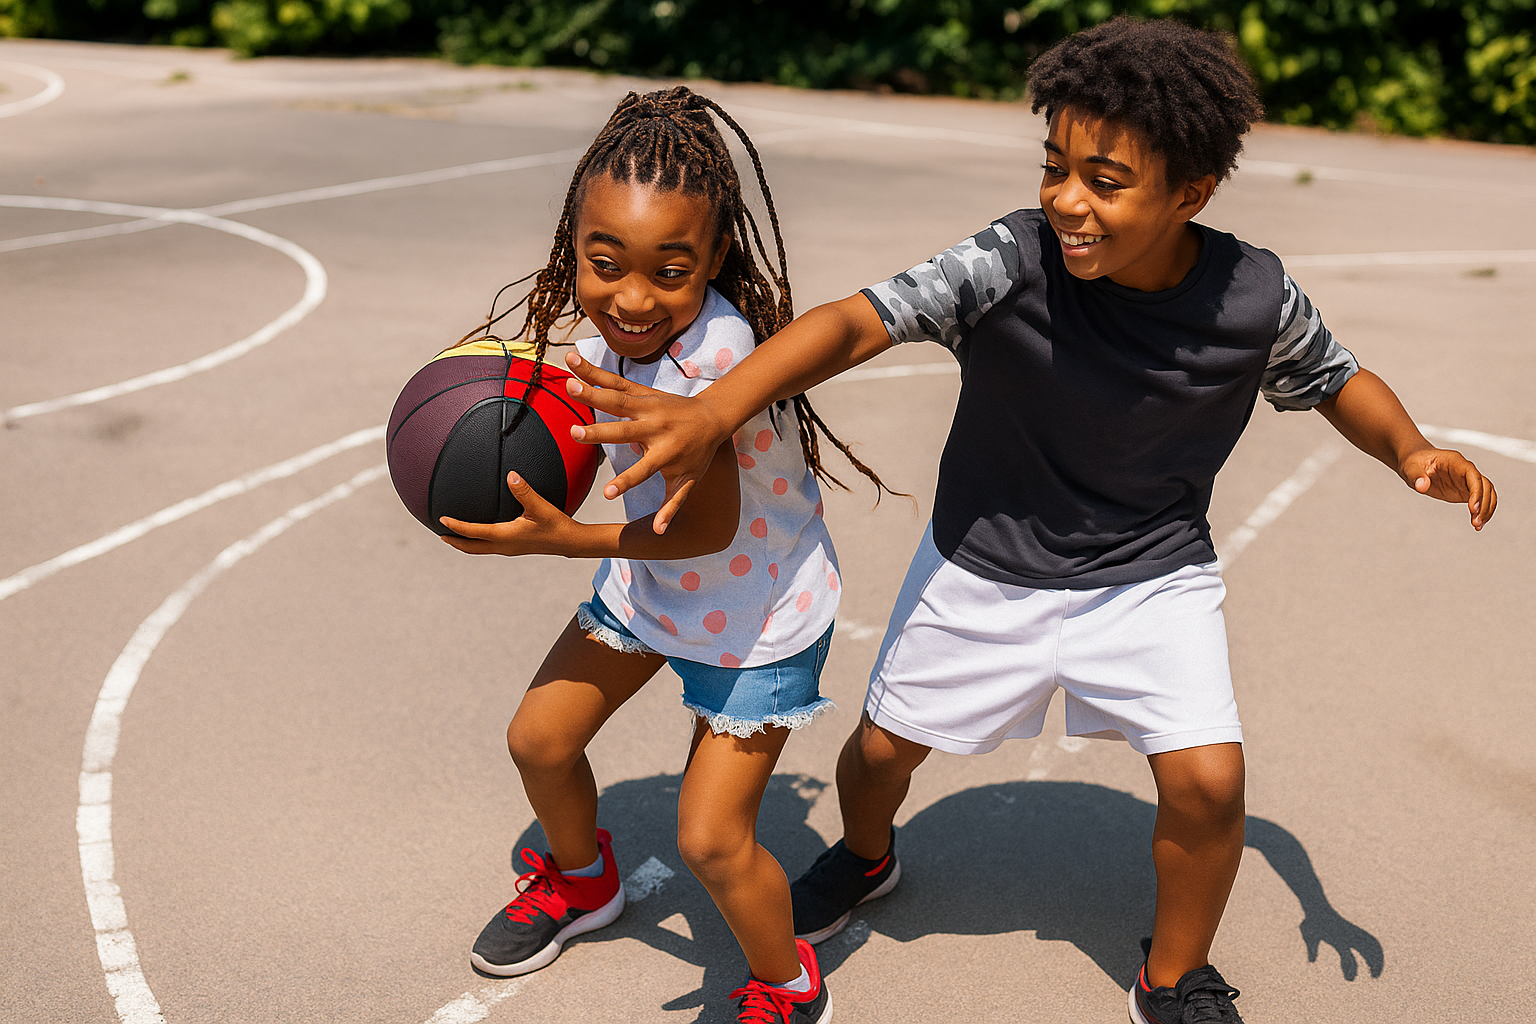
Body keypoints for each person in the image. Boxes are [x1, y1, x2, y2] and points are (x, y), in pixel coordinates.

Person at [554, 20, 1499, 1024]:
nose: (1067, 199)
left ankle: (1175, 977)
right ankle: (866, 856)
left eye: (1105, 180)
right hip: (982, 563)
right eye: (1056, 167)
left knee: (1212, 783)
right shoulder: (1012, 258)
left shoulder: (1252, 295)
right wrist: (716, 409)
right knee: (880, 757)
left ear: (1190, 193)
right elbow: (859, 319)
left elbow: (1338, 377)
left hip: (1151, 573)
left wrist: (1410, 450)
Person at [438, 85, 896, 1024]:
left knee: (712, 841)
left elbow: (703, 529)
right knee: (539, 741)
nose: (633, 298)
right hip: (651, 587)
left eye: (670, 271)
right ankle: (582, 882)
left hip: (757, 610)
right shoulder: (603, 328)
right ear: (573, 247)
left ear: (714, 259)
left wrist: (561, 540)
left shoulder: (713, 360)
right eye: (605, 264)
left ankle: (787, 981)